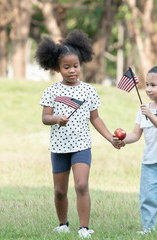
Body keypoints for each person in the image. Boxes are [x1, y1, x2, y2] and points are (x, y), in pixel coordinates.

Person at [37, 29, 118, 239]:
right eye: (67, 67)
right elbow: (45, 118)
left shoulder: (89, 91)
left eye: (76, 66)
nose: (72, 71)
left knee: (81, 185)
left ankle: (84, 228)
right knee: (59, 191)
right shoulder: (52, 91)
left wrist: (110, 137)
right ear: (57, 68)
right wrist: (57, 119)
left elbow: (96, 118)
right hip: (59, 147)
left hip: (82, 145)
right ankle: (63, 224)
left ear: (81, 64)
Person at [114, 65, 157, 234]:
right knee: (147, 198)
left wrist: (151, 115)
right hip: (149, 162)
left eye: (153, 85)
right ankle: (148, 228)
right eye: (147, 85)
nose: (148, 89)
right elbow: (136, 134)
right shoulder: (144, 109)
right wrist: (123, 140)